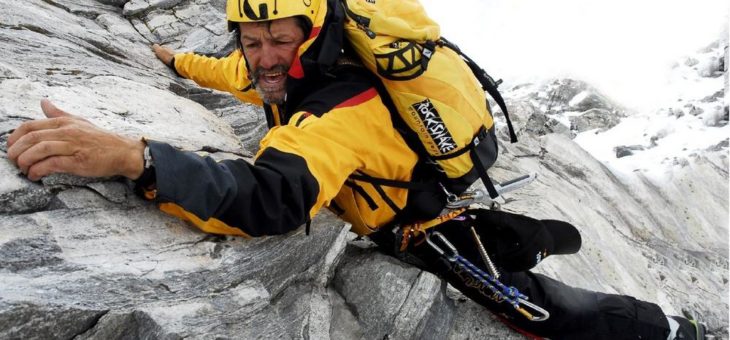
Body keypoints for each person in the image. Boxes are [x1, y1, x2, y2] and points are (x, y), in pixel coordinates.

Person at [6, 0, 706, 339]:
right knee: (499, 247)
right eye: (252, 41)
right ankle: (518, 231)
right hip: (402, 181)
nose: (263, 56)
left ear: (316, 37)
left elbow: (272, 198)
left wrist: (138, 158)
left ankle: (663, 329)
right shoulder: (294, 67)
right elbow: (235, 74)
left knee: (529, 305)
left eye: (278, 40)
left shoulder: (337, 112)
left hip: (412, 220)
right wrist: (175, 62)